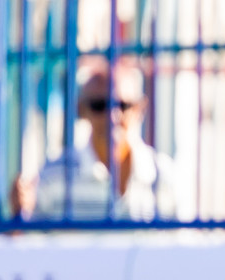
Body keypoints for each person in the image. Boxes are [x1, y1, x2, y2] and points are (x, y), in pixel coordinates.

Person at [10, 63, 177, 221]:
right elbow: (26, 245)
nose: (113, 117)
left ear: (140, 109)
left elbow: (185, 245)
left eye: (123, 105)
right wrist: (20, 215)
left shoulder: (165, 176)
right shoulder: (53, 177)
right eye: (99, 105)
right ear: (81, 109)